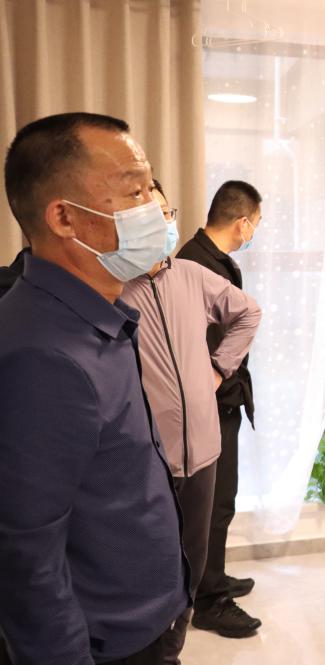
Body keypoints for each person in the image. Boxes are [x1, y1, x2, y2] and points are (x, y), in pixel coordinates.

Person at [0, 112, 189, 664]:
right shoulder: (43, 354)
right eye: (135, 191)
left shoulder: (99, 315)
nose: (154, 207)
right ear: (64, 217)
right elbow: (25, 556)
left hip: (146, 618)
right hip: (109, 644)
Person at [120, 179, 263, 653]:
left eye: (166, 213)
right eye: (150, 216)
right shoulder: (113, 288)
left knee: (193, 565)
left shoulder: (190, 274)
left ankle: (172, 649)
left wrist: (219, 368)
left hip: (202, 450)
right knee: (149, 571)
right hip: (148, 459)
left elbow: (248, 313)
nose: (164, 223)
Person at [175, 180, 262, 636]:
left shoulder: (212, 260)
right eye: (256, 223)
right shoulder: (195, 264)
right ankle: (210, 600)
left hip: (223, 400)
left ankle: (215, 576)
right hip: (206, 405)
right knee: (210, 505)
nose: (255, 232)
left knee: (221, 501)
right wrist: (214, 378)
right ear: (242, 222)